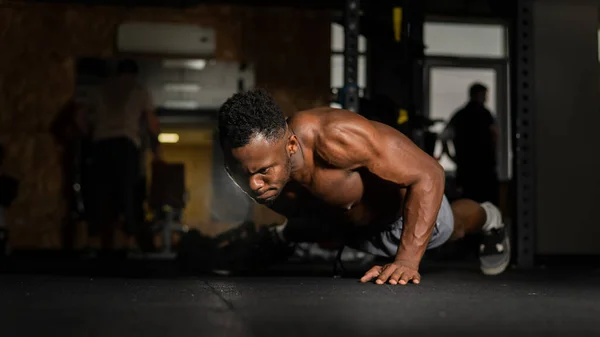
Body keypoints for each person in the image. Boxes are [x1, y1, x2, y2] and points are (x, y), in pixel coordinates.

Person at [217, 89, 510, 285]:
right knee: (305, 222)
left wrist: (406, 261)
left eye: (263, 171)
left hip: (398, 221)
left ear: (291, 144)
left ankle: (490, 218)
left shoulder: (335, 136)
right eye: (239, 174)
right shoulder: (257, 165)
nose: (253, 185)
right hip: (346, 225)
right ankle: (278, 240)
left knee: (452, 227)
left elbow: (429, 173)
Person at [89, 59, 160, 251]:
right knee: (127, 193)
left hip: (101, 144)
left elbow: (82, 118)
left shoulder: (100, 89)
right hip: (125, 145)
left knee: (101, 193)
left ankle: (97, 242)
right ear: (134, 74)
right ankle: (127, 241)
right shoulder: (139, 90)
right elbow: (151, 122)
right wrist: (157, 151)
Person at [439, 83, 499, 205]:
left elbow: (444, 136)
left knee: (467, 203)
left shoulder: (460, 115)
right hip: (484, 167)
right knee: (486, 205)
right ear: (477, 95)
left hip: (465, 167)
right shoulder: (485, 114)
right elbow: (495, 136)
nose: (486, 98)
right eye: (484, 95)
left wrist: (451, 156)